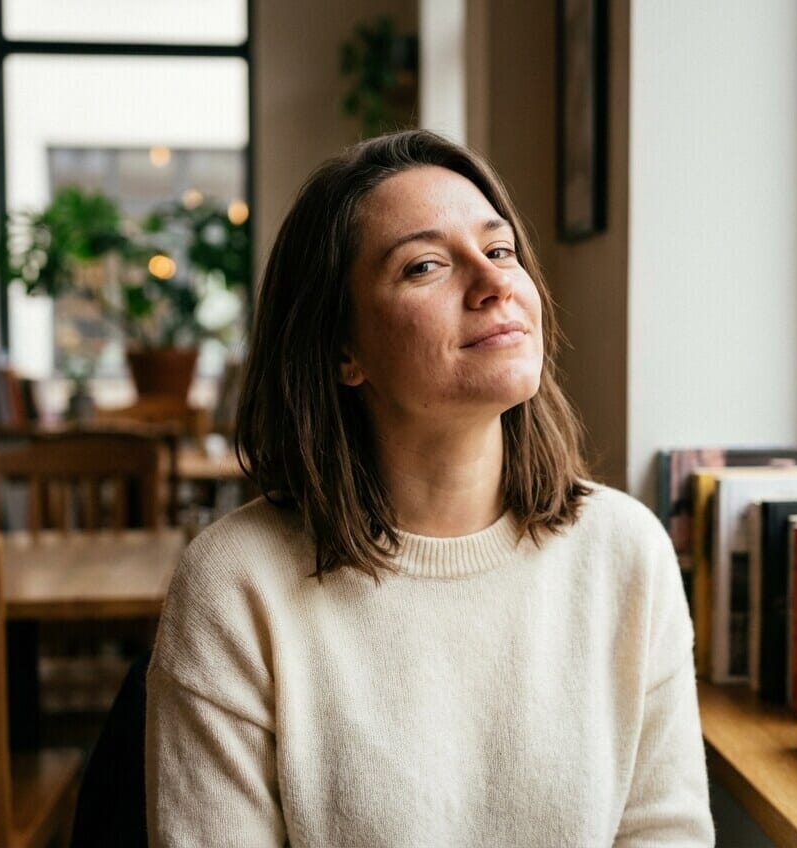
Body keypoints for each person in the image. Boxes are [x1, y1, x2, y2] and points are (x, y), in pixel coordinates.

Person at [146, 131, 714, 846]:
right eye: (425, 266)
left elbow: (666, 833)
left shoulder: (627, 552)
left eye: (500, 250)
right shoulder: (234, 586)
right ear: (343, 350)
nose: (494, 282)